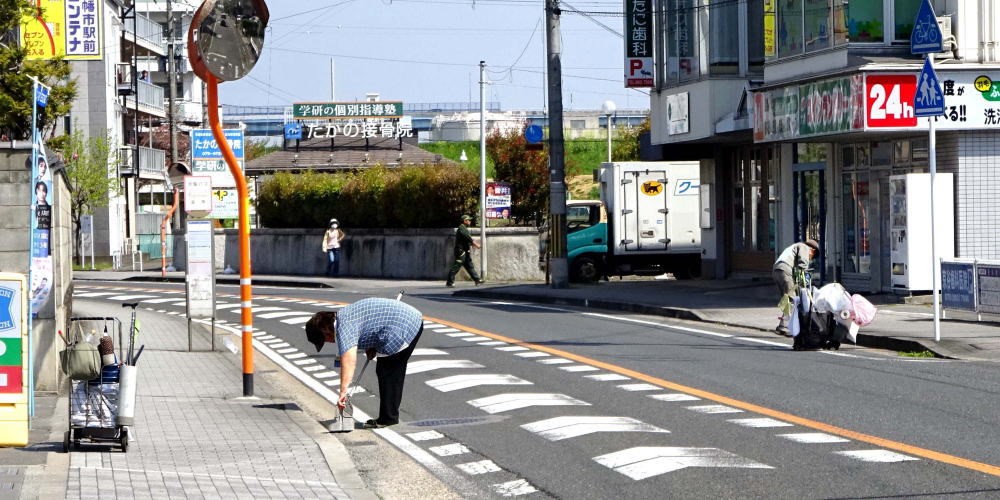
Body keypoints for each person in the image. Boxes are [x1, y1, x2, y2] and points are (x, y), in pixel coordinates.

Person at [305, 298, 424, 429]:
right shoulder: (343, 316)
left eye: (325, 340)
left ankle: (388, 418)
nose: (329, 342)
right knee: (389, 370)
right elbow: (369, 325)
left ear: (325, 331)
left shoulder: (344, 328)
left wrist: (343, 393)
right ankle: (389, 416)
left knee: (388, 371)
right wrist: (371, 346)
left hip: (404, 326)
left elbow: (348, 361)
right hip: (409, 320)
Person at [773, 239, 819, 335]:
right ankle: (784, 326)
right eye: (812, 256)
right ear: (813, 250)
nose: (810, 258)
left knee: (787, 299)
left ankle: (785, 324)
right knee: (792, 299)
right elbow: (803, 264)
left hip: (777, 270)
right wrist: (806, 281)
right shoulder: (804, 247)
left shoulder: (794, 247)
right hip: (785, 269)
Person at [446, 214, 482, 287]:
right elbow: (468, 238)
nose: (470, 221)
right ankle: (450, 282)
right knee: (457, 266)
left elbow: (466, 240)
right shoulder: (461, 229)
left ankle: (477, 279)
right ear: (465, 221)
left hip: (465, 251)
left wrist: (471, 244)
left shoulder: (464, 228)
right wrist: (476, 244)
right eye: (469, 220)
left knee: (469, 265)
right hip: (460, 252)